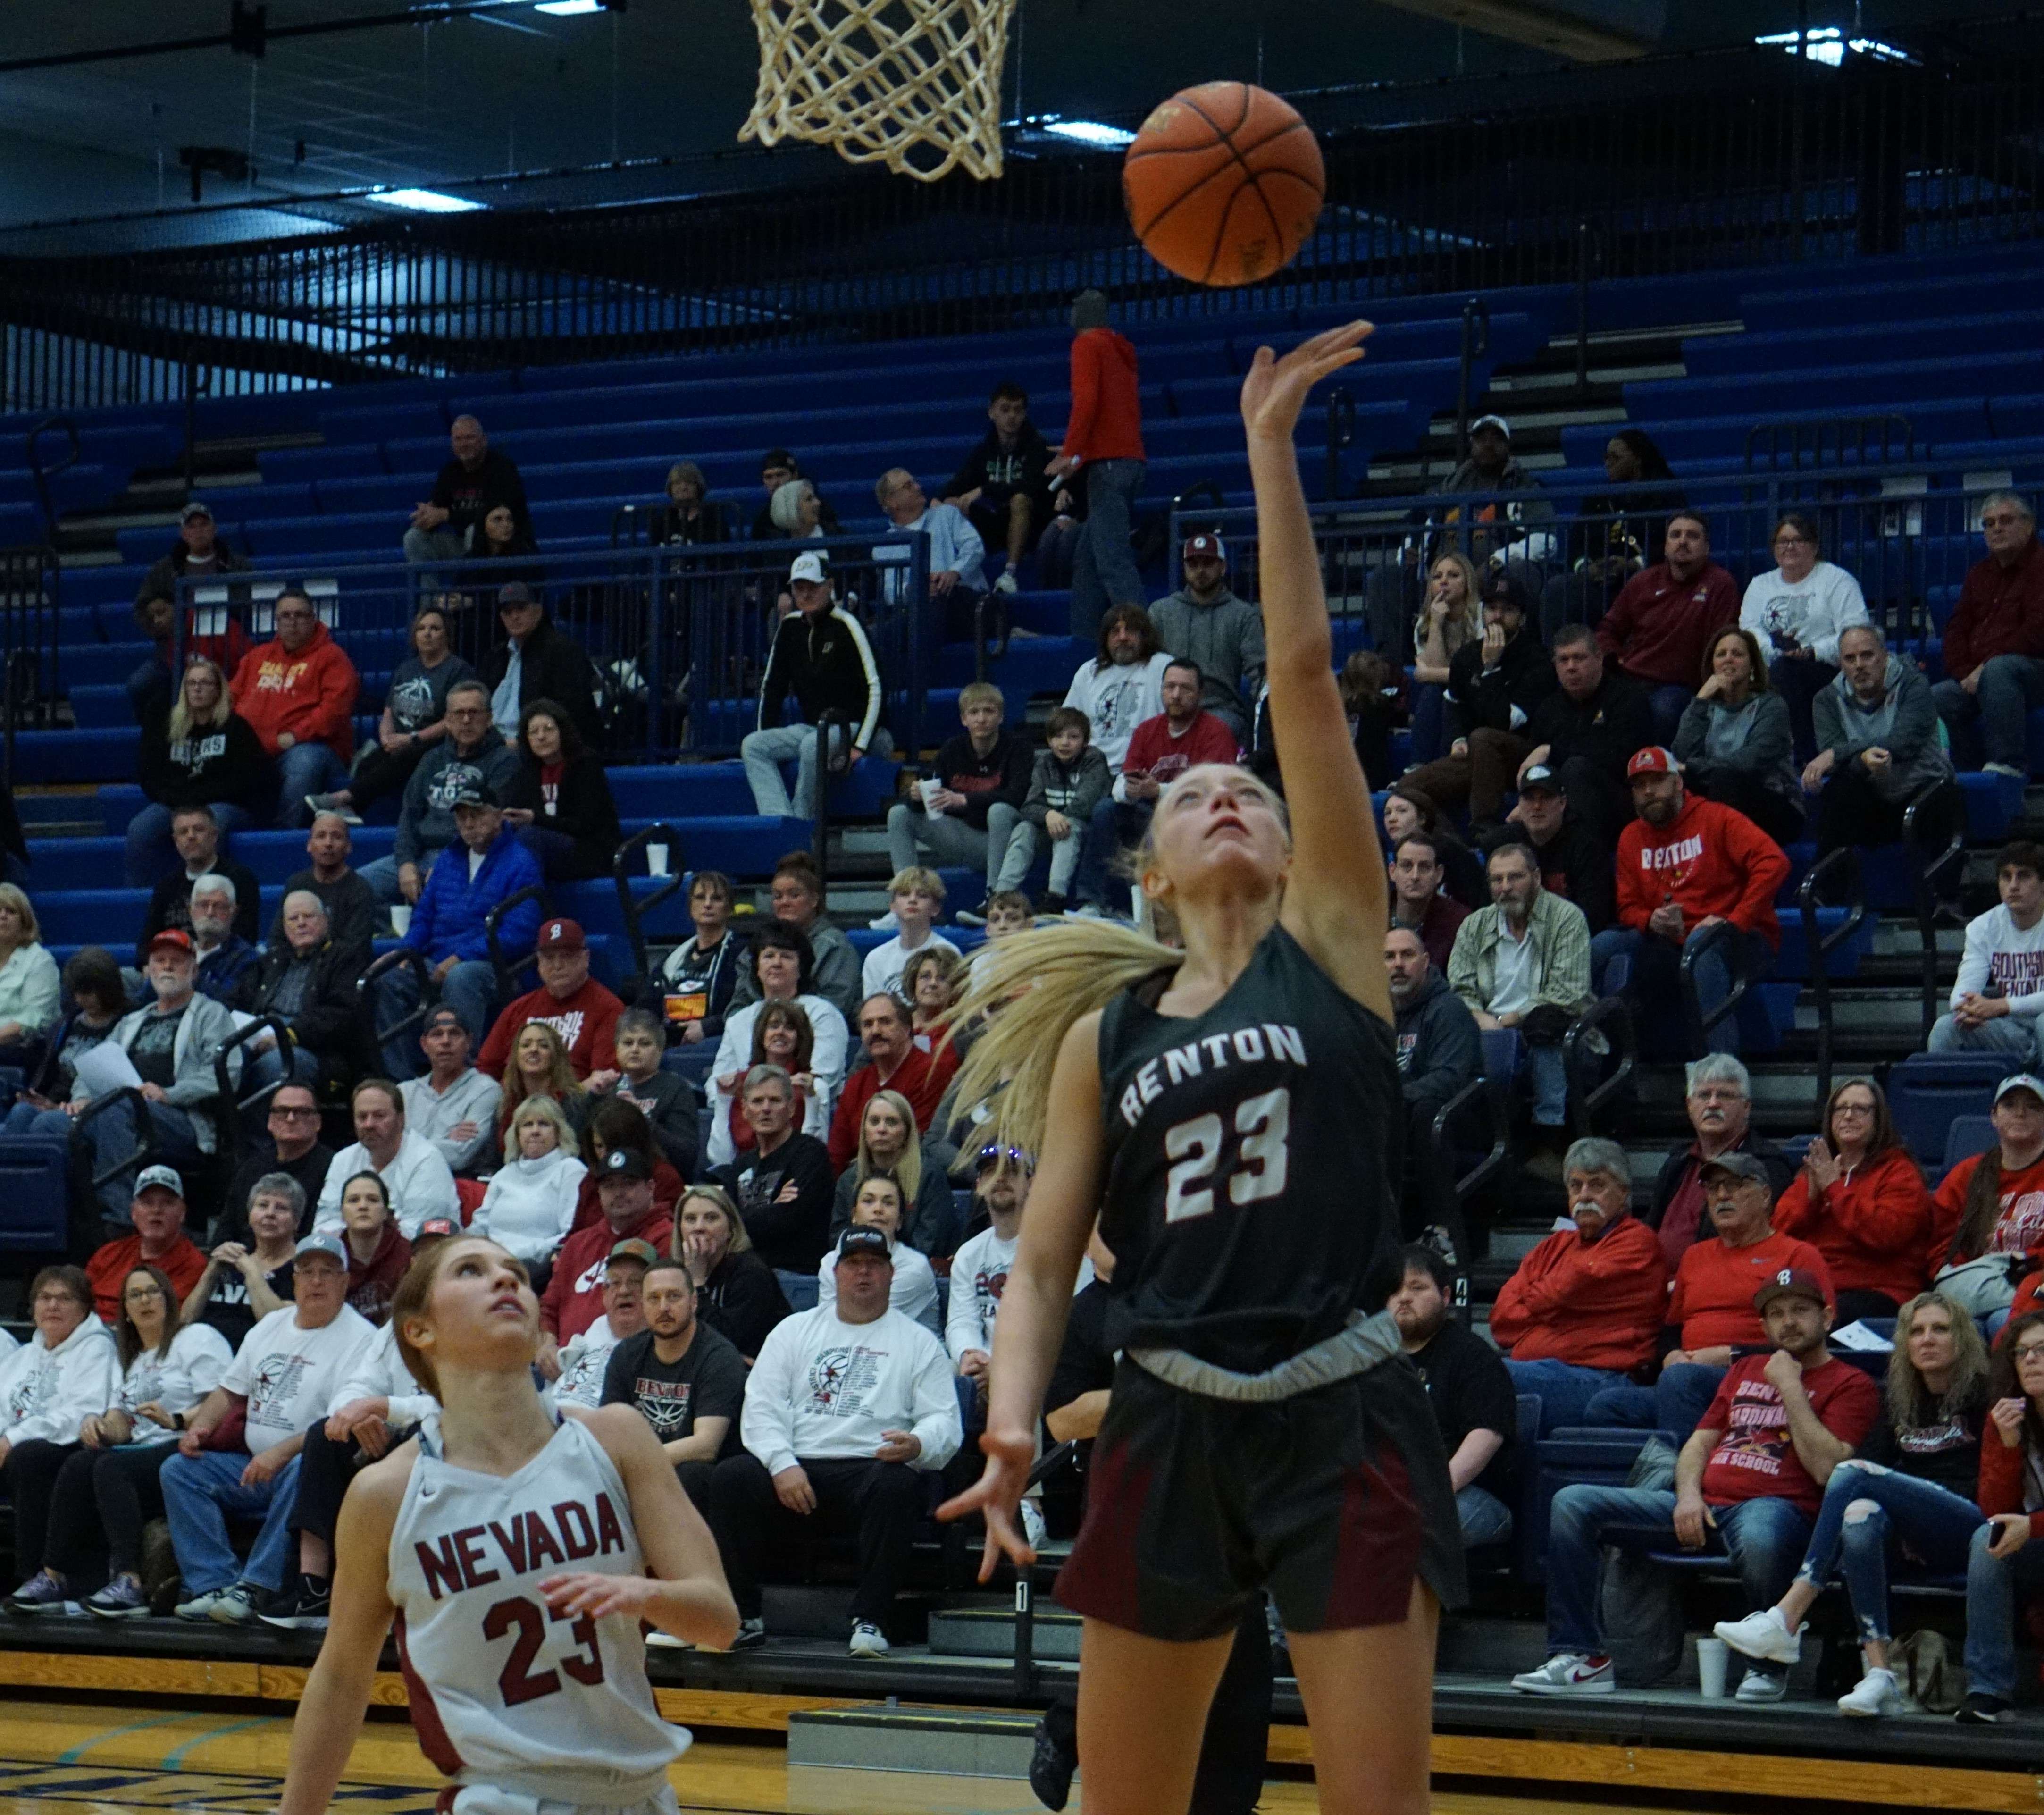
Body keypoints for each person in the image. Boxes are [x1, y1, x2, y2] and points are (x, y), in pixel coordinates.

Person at [939, 324, 1462, 1815]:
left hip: (1344, 1404)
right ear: (1152, 871)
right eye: (1192, 794)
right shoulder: (1116, 1027)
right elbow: (1041, 1268)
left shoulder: (1337, 945)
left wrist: (1269, 451)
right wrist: (1014, 1415)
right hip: (1166, 1415)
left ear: (1294, 849)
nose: (1225, 795)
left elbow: (1296, 669)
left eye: (1246, 788)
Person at [272, 1232, 737, 1815]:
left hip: (642, 1798)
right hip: (500, 1799)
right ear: (419, 1330)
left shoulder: (616, 1438)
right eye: (471, 1270)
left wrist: (642, 1594)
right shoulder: (386, 1495)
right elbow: (341, 1678)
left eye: (516, 1271)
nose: (505, 1280)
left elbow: (719, 1620)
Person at [1510, 1268, 1880, 1702]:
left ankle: (1768, 1664)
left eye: (1801, 1310)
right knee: (1573, 1502)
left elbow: (1826, 1470)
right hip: (1702, 1507)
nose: (1788, 1322)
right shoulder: (1744, 1370)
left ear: (1828, 1317)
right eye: (1776, 1314)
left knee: (1763, 1534)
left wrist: (1790, 1387)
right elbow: (1699, 1446)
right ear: (1763, 1326)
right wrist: (1688, 1495)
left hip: (1778, 1509)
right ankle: (1580, 1657)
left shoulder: (1852, 1384)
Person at [1713, 1290, 1989, 1716]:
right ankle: (1879, 1675)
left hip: (1969, 1525)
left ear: (1963, 1339)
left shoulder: (1987, 1394)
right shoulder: (1897, 1399)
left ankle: (1788, 1615)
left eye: (1941, 1329)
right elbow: (1875, 1475)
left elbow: (1993, 1481)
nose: (1927, 1339)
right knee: (1860, 1517)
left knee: (1850, 1473)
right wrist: (1905, 1519)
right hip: (1912, 1535)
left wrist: (1920, 1513)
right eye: (1916, 1331)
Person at [709, 1224, 960, 1655]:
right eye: (854, 1264)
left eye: (874, 1265)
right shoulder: (792, 1331)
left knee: (898, 1483)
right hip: (794, 1469)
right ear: (835, 1272)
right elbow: (762, 1406)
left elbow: (945, 1420)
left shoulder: (919, 1343)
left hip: (868, 1470)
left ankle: (871, 1619)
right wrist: (781, 1463)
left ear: (891, 1275)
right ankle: (741, 1615)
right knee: (729, 1478)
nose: (864, 1273)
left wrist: (918, 1443)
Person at [161, 1232, 375, 1624]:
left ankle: (257, 1587)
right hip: (255, 1469)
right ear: (293, 1280)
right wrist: (200, 1429)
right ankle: (213, 1584)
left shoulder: (362, 1339)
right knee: (179, 1470)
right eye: (307, 1271)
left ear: (345, 1282)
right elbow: (229, 1390)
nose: (316, 1281)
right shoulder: (271, 1325)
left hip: (312, 1473)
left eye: (328, 1273)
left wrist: (279, 1453)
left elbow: (336, 1425)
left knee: (305, 1465)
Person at [8, 1264, 232, 1620]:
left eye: (152, 1291)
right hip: (142, 1448)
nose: (144, 1300)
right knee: (82, 1461)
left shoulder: (197, 1338)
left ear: (169, 1298)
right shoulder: (132, 1360)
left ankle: (130, 1581)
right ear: (124, 1309)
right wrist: (99, 1425)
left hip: (189, 1446)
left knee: (111, 1466)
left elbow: (225, 1401)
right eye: (134, 1295)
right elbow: (121, 1422)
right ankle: (52, 1577)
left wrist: (177, 1419)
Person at [1583, 1153, 1835, 1438]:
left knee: (1682, 1382)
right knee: (1605, 1406)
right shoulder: (1695, 1256)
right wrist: (1671, 1355)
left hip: (1760, 1381)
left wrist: (1732, 1355)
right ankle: (1659, 1469)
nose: (1722, 1195)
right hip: (1687, 1381)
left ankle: (1681, 1476)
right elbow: (1672, 1328)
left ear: (1765, 1196)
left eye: (1735, 1185)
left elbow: (1817, 1338)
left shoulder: (1798, 1254)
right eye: (1713, 1188)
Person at [1603, 747, 1790, 1058]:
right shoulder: (1630, 838)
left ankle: (1719, 1071)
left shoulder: (1717, 818)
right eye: (1639, 785)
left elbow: (1774, 862)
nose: (1648, 792)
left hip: (1741, 939)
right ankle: (1592, 1056)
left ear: (1678, 783)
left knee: (1702, 945)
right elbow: (1626, 908)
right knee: (1604, 944)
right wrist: (1650, 920)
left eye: (1657, 781)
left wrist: (1735, 921)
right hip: (1671, 943)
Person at [1489, 1140, 1669, 1434]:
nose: (1584, 1196)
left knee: (1485, 1374)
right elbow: (1501, 1322)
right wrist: (1556, 1302)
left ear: (1623, 1193)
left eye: (1597, 1186)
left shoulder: (1637, 1242)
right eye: (1576, 1186)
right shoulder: (1552, 1246)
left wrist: (1539, 1298)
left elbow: (1571, 1287)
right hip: (1543, 1373)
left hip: (1602, 1379)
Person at [378, 781, 543, 1074]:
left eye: (477, 815)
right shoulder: (448, 859)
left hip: (497, 966)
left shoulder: (522, 862)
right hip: (438, 958)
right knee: (388, 977)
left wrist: (461, 957)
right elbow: (423, 918)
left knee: (462, 977)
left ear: (498, 817)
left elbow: (519, 934)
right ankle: (399, 1080)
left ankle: (464, 1075)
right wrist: (406, 952)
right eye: (462, 817)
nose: (469, 823)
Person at [84, 932, 242, 1230]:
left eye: (177, 961)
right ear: (149, 970)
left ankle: (119, 1224)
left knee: (120, 1108)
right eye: (160, 961)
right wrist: (80, 1097)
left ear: (194, 970)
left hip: (184, 1122)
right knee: (46, 1123)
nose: (167, 967)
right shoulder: (132, 1020)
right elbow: (94, 1064)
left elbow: (226, 1074)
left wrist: (170, 1094)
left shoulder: (211, 1014)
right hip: (126, 1110)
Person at [1446, 842, 1594, 1155]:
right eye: (1497, 880)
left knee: (1545, 1028)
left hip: (1554, 1026)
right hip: (1488, 1029)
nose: (1505, 888)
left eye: (1515, 878)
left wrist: (1505, 1021)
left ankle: (1549, 1139)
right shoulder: (1474, 926)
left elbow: (1566, 993)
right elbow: (1459, 990)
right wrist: (1482, 1019)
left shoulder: (1566, 919)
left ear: (1537, 878)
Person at [0, 1267, 122, 1610]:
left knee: (29, 1456)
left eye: (64, 1298)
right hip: (16, 1448)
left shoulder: (97, 1349)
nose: (52, 1306)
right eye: (44, 1297)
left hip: (71, 1450)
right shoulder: (25, 1355)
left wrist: (12, 1439)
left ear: (84, 1309)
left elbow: (83, 1412)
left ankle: (34, 1576)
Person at [741, 553, 891, 823]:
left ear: (830, 586)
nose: (807, 594)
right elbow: (771, 687)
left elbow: (877, 687)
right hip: (816, 727)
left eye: (813, 586)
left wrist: (860, 745)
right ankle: (779, 822)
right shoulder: (788, 628)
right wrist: (769, 734)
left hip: (858, 727)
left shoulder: (848, 625)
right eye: (800, 588)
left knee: (814, 743)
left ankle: (803, 826)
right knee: (754, 745)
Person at [1081, 659, 1240, 916]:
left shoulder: (1216, 731)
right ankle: (1091, 902)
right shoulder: (1147, 730)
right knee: (1106, 810)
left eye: (1186, 689)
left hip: (1195, 816)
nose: (1176, 696)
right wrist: (1128, 791)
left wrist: (1160, 792)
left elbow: (1216, 789)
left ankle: (1156, 909)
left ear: (1201, 695)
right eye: (1170, 687)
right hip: (1147, 811)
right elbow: (1124, 779)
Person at [1400, 569, 1555, 825]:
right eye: (1492, 608)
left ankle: (1485, 828)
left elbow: (1502, 723)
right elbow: (1454, 703)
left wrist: (1491, 669)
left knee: (1484, 737)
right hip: (1475, 757)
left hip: (1519, 757)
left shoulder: (1536, 661)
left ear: (1522, 618)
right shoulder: (1468, 655)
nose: (1497, 617)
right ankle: (1444, 843)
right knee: (1409, 790)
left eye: (1507, 610)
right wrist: (1457, 739)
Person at [1772, 1078, 1933, 1322]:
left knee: (1812, 1321)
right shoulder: (1817, 1170)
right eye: (1841, 1108)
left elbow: (1886, 1234)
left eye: (1860, 1109)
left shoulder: (1899, 1171)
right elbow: (1778, 1235)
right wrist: (1812, 1198)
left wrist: (1834, 1189)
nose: (1848, 1116)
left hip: (1879, 1292)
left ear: (1878, 1120)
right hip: (1814, 1289)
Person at [1388, 1246, 1516, 1547]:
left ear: (1446, 1297)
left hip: (1468, 1495)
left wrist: (1429, 1493)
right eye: (1395, 1290)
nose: (1404, 1297)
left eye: (1417, 1287)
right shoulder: (1377, 1362)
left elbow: (1486, 1436)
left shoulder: (1472, 1357)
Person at [306, 604, 476, 825]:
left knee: (403, 758)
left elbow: (453, 720)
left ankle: (341, 798)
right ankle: (350, 809)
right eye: (421, 629)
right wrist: (386, 737)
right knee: (370, 762)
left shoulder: (458, 670)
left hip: (435, 745)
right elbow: (389, 711)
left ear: (447, 635)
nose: (427, 633)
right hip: (401, 742)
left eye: (435, 628)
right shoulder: (406, 669)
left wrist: (412, 739)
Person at [600, 1257, 746, 1514]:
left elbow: (706, 1445)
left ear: (694, 1302)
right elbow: (611, 1432)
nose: (664, 1307)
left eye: (673, 1297)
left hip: (694, 1476)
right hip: (642, 1469)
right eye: (654, 1298)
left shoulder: (719, 1356)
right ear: (643, 1305)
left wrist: (635, 1462)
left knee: (692, 1473)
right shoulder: (626, 1354)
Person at [365, 681, 521, 912]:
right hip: (420, 855)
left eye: (474, 713)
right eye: (459, 713)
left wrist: (448, 865)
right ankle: (399, 923)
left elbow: (488, 826)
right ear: (447, 720)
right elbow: (410, 814)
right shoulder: (432, 759)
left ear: (489, 718)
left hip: (469, 857)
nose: (466, 720)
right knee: (356, 889)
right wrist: (406, 863)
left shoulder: (504, 762)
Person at [1805, 623, 1954, 860]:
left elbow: (1903, 743)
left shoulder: (1914, 685)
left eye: (1867, 655)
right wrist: (1862, 760)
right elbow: (1835, 763)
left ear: (1885, 657)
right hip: (1871, 798)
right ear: (1840, 664)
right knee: (1839, 791)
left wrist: (1840, 753)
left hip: (1922, 791)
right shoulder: (1826, 700)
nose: (1859, 666)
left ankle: (1943, 895)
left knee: (1948, 800)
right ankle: (1827, 891)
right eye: (1850, 659)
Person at [1960, 1309, 2044, 1722]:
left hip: (2039, 1532)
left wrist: (2034, 1525)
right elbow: (1995, 1512)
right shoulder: (2007, 1418)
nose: (2031, 1359)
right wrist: (2009, 1447)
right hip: (2036, 1547)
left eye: (2043, 1350)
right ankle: (1989, 1691)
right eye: (2022, 1352)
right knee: (1986, 1537)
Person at [1594, 511, 1740, 744]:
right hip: (1630, 679)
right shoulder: (1643, 582)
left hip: (1680, 687)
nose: (1682, 541)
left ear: (1707, 548)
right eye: (1675, 535)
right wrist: (1615, 657)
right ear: (1665, 547)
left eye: (1692, 536)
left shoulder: (1721, 584)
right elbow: (1608, 630)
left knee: (1663, 712)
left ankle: (1658, 776)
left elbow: (1722, 642)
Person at [1739, 513, 1871, 764]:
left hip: (1826, 669)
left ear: (1814, 547)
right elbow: (1749, 632)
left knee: (1788, 674)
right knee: (1779, 672)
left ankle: (1803, 760)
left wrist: (1812, 651)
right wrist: (1778, 651)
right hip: (1774, 666)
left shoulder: (1837, 581)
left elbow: (1855, 634)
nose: (1789, 547)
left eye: (1798, 540)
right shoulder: (1760, 585)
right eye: (1782, 541)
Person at [1642, 1055, 1796, 1269]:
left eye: (1725, 1095)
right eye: (1704, 1095)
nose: (1713, 1104)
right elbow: (1650, 1230)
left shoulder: (1767, 1165)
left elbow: (1758, 1245)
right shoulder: (1677, 1162)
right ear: (1689, 1105)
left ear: (1747, 1108)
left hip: (1722, 1279)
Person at [886, 683, 1030, 906]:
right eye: (974, 712)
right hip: (966, 838)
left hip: (1008, 844)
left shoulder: (1018, 748)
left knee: (999, 810)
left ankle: (994, 900)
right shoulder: (953, 749)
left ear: (1001, 717)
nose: (981, 719)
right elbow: (930, 790)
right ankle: (905, 900)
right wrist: (916, 796)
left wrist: (964, 800)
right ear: (964, 719)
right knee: (899, 814)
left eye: (989, 711)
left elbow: (1017, 796)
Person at [128, 657, 269, 885]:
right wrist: (178, 800)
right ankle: (143, 900)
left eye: (205, 683)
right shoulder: (167, 727)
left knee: (212, 825)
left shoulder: (237, 728)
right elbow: (149, 775)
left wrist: (198, 799)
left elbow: (248, 779)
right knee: (141, 829)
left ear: (218, 691)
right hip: (176, 804)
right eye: (192, 684)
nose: (198, 689)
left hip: (224, 804)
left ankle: (206, 894)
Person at [1054, 290, 1145, 643]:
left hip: (1107, 465)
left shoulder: (1087, 345)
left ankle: (1147, 645)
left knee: (1112, 562)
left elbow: (1087, 400)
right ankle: (1085, 647)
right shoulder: (1121, 349)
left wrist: (1071, 453)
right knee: (1088, 560)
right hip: (1131, 461)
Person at [1932, 490, 2044, 777]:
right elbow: (1957, 628)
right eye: (1989, 523)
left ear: (2029, 526)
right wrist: (1965, 672)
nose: (1996, 528)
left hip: (2033, 670)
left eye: (2005, 520)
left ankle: (2009, 766)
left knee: (1999, 670)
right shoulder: (1979, 574)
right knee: (1934, 698)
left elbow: (2037, 630)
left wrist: (1984, 668)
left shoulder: (2041, 566)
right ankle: (1967, 775)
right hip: (1983, 675)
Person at [229, 588, 361, 828]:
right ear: (277, 622)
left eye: (300, 615)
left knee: (305, 761)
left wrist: (295, 736)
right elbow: (230, 699)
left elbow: (334, 712)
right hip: (257, 750)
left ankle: (285, 836)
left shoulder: (332, 657)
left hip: (311, 749)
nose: (293, 622)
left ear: (313, 619)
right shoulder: (256, 657)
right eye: (286, 616)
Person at [1538, 428, 1684, 644]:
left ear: (1637, 459)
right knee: (1558, 587)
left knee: (1640, 586)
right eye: (1606, 457)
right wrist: (1586, 568)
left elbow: (1675, 545)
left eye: (1615, 457)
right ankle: (1557, 663)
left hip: (1647, 578)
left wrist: (1634, 564)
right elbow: (1577, 544)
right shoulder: (1597, 499)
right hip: (1599, 582)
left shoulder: (1667, 495)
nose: (1608, 463)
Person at [1386, 926, 1481, 1259]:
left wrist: (1389, 1099)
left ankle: (1444, 1234)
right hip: (1400, 1123)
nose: (1398, 964)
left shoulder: (1448, 1010)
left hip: (1458, 1122)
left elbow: (1449, 1079)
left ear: (1425, 962)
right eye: (1389, 957)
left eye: (1407, 955)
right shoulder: (1377, 1017)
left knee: (1428, 1110)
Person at [1515, 627, 1655, 845]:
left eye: (1579, 658)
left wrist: (1552, 751)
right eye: (1563, 660)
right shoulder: (1548, 709)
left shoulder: (1628, 698)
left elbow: (1621, 759)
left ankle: (1586, 853)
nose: (1571, 667)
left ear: (1598, 658)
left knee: (1576, 769)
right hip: (1558, 802)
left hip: (1619, 800)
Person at [539, 1147, 678, 1364]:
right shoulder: (578, 1243)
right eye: (610, 1186)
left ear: (650, 1188)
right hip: (563, 1365)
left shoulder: (667, 1239)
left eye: (628, 1184)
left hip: (628, 1363)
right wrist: (547, 1345)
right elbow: (549, 1308)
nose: (619, 1193)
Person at [1673, 626, 1805, 848]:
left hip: (1775, 802)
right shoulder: (1703, 707)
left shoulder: (1771, 705)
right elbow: (1683, 754)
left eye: (1738, 654)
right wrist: (1701, 699)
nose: (1728, 660)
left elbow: (1749, 763)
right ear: (1712, 664)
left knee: (1726, 781)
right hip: (1720, 796)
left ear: (1753, 664)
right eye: (1721, 654)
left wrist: (1695, 768)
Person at [127, 501, 252, 723]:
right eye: (192, 526)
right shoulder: (164, 569)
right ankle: (155, 740)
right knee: (139, 685)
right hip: (174, 652)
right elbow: (142, 609)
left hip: (227, 650)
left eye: (203, 524)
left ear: (214, 529)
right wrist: (162, 623)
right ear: (183, 533)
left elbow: (249, 605)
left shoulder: (237, 565)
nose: (198, 531)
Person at [1928, 1073, 2044, 1306]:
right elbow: (1940, 1244)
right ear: (1994, 1116)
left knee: (2004, 1320)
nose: (2020, 1113)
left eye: (2032, 1107)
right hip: (1975, 1287)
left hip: (2035, 1287)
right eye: (2009, 1105)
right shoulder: (1967, 1174)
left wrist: (2028, 1262)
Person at [235, 890, 369, 1090]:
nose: (301, 923)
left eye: (308, 916)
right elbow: (237, 997)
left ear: (325, 920)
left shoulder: (345, 959)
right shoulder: (273, 959)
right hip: (260, 1035)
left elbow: (340, 1013)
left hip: (314, 1048)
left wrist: (287, 1036)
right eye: (293, 919)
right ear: (284, 926)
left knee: (274, 1066)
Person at [711, 1065, 836, 1275]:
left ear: (791, 1108)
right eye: (758, 1101)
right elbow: (727, 1226)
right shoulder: (742, 1164)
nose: (766, 1109)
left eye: (775, 1101)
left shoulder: (811, 1154)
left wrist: (744, 1218)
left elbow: (789, 1220)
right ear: (745, 1109)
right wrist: (773, 1206)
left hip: (796, 1273)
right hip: (748, 1274)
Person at [714, 920, 850, 1110]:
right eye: (769, 956)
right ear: (757, 968)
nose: (777, 963)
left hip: (806, 1114)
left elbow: (822, 1081)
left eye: (786, 957)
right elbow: (718, 1083)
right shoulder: (738, 1021)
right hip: (744, 1116)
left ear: (801, 968)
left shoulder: (823, 1014)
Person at [1148, 534, 1265, 745]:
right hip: (1169, 707)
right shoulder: (1161, 612)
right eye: (1193, 564)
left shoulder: (1243, 615)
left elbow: (1259, 671)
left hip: (1221, 710)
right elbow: (1144, 668)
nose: (1200, 571)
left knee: (1213, 730)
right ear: (1184, 568)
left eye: (1208, 563)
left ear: (1223, 567)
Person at [1935, 842, 2044, 1064]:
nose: (2013, 886)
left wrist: (2002, 1005)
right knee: (1946, 1028)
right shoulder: (1982, 927)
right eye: (2006, 877)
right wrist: (1968, 1008)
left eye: (2023, 877)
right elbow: (1962, 992)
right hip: (2010, 1028)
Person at [478, 917, 622, 1085]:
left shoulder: (608, 1008)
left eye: (567, 956)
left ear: (586, 958)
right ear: (539, 962)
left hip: (574, 1106)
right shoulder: (517, 1009)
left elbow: (602, 1080)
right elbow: (485, 1071)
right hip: (516, 1103)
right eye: (549, 957)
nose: (558, 965)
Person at [943, 380, 1056, 590]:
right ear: (991, 412)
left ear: (1024, 414)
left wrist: (985, 490)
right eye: (1005, 410)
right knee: (952, 504)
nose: (1012, 416)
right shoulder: (984, 451)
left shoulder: (1037, 447)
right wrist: (940, 500)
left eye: (1018, 410)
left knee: (1020, 499)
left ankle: (1010, 573)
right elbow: (958, 484)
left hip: (1032, 526)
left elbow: (1029, 487)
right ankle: (955, 573)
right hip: (995, 525)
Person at [727, 851, 862, 1025]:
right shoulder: (755, 948)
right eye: (778, 896)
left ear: (814, 900)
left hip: (813, 1034)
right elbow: (735, 1009)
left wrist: (779, 1026)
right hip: (755, 1035)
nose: (785, 902)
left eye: (794, 895)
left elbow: (834, 1009)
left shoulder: (835, 946)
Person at [315, 1079, 460, 1239]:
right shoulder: (343, 1160)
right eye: (362, 1117)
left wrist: (357, 1231)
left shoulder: (427, 1160)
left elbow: (417, 1235)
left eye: (379, 1116)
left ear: (401, 1119)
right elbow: (324, 1224)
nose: (369, 1124)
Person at [827, 994, 954, 1174]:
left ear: (907, 1028)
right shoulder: (856, 1083)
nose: (875, 1031)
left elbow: (913, 1144)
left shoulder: (931, 1073)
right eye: (868, 1025)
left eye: (885, 1022)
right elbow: (836, 1154)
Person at [501, 699, 621, 882]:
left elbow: (584, 825)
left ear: (563, 732)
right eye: (534, 732)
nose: (541, 737)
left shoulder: (585, 765)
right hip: (546, 850)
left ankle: (534, 908)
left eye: (548, 729)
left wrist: (535, 819)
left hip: (589, 851)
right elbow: (505, 801)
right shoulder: (529, 771)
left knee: (529, 836)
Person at [829, 1086, 956, 1259]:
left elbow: (930, 1244)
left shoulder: (929, 1176)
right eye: (874, 1122)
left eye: (892, 1122)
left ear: (907, 1132)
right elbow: (838, 1238)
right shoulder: (849, 1180)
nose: (882, 1129)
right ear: (864, 1132)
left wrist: (886, 1263)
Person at [1008, 706, 1111, 914]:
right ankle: (1002, 895)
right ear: (1049, 740)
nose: (1065, 743)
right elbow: (1029, 806)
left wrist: (1057, 819)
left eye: (1073, 737)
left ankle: (1056, 897)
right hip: (1053, 831)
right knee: (1024, 828)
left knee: (1068, 826)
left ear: (1085, 741)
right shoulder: (1044, 763)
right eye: (1058, 736)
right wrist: (1048, 814)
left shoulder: (1094, 759)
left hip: (1090, 836)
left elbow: (1086, 805)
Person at [675, 1184, 791, 1362]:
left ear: (731, 1229)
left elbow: (724, 1342)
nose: (699, 1228)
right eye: (690, 1219)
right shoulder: (674, 1273)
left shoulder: (751, 1273)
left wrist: (697, 1283)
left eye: (711, 1218)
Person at [1062, 604, 1174, 785]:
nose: (1123, 637)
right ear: (1105, 639)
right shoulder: (1089, 671)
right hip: (1094, 774)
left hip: (1146, 772)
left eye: (1130, 630)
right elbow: (1067, 723)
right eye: (1115, 631)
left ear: (1143, 636)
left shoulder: (1162, 666)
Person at [185, 1175, 302, 1350]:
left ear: (297, 1222)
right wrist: (211, 1272)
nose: (270, 1214)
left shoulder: (302, 1269)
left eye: (281, 1208)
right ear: (249, 1215)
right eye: (263, 1205)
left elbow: (276, 1327)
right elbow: (185, 1320)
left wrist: (250, 1270)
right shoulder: (229, 1262)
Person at [1497, 765, 1617, 935]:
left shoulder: (1587, 846)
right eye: (1529, 798)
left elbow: (1593, 917)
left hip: (1572, 940)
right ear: (1519, 805)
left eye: (1546, 798)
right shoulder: (1503, 845)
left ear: (1562, 803)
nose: (1537, 806)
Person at [484, 584, 603, 752]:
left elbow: (571, 710)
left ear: (538, 612)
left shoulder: (563, 651)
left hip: (539, 747)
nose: (515, 617)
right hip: (494, 747)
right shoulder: (495, 657)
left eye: (521, 609)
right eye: (508, 612)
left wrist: (524, 742)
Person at [818, 1173, 942, 1333]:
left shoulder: (914, 1267)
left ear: (900, 1221)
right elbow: (829, 1324)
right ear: (854, 1215)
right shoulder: (830, 1262)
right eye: (868, 1201)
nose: (878, 1209)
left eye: (888, 1203)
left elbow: (870, 1322)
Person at [86, 1164, 208, 1322]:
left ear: (182, 1213)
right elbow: (78, 1301)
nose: (157, 1210)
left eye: (168, 1203)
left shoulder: (194, 1264)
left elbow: (163, 1319)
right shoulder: (107, 1254)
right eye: (148, 1202)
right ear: (133, 1213)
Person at [136, 804, 261, 958]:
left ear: (215, 836)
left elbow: (246, 938)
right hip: (171, 965)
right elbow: (148, 938)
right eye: (183, 832)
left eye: (199, 830)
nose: (191, 836)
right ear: (175, 841)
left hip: (221, 966)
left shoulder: (241, 879)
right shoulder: (166, 886)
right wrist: (145, 964)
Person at [708, 998, 823, 1166]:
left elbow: (814, 1156)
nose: (780, 1032)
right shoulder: (738, 1084)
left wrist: (811, 1100)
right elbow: (721, 1160)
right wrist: (724, 1099)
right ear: (762, 1035)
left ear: (800, 1037)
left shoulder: (815, 1087)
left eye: (790, 1027)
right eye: (773, 1026)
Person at [401, 415, 528, 564]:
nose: (464, 444)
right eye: (458, 439)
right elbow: (438, 506)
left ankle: (480, 587)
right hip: (461, 545)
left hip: (504, 547)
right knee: (413, 537)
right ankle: (429, 589)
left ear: (484, 441)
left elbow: (495, 516)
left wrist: (446, 515)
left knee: (475, 532)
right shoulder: (449, 472)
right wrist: (427, 514)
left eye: (470, 438)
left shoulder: (503, 469)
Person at [874, 467, 987, 633]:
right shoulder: (884, 547)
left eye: (915, 483)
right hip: (923, 610)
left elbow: (975, 547)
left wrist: (954, 573)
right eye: (908, 486)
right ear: (892, 502)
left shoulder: (947, 515)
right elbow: (890, 591)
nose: (918, 487)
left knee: (932, 609)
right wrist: (915, 589)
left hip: (967, 602)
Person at [219, 1082, 332, 1244]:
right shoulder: (251, 1168)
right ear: (270, 1121)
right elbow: (226, 1232)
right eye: (282, 1111)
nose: (291, 1118)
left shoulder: (334, 1168)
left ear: (318, 1122)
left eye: (302, 1112)